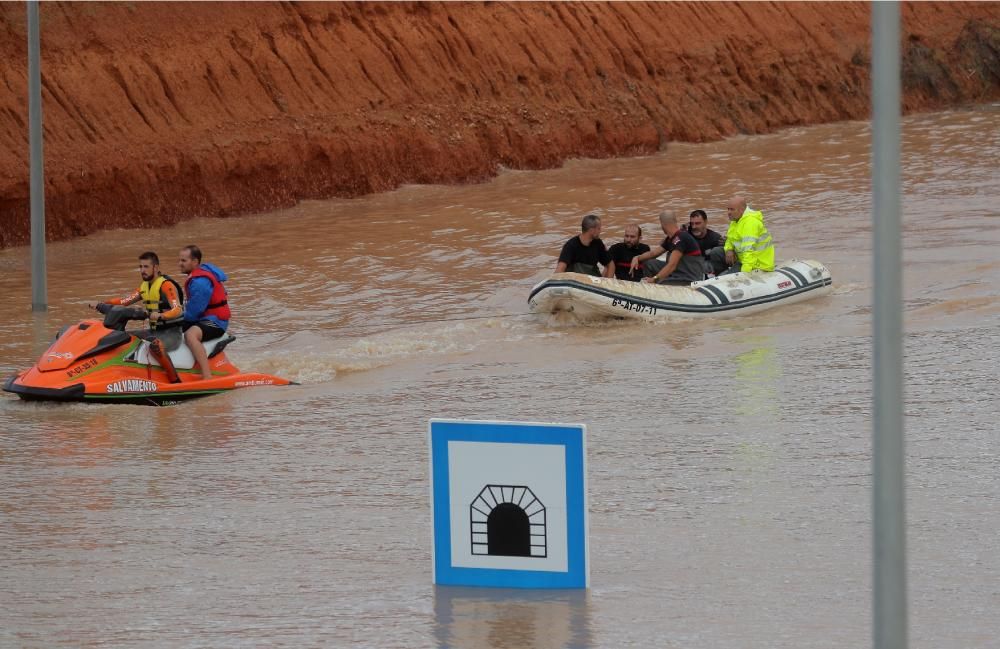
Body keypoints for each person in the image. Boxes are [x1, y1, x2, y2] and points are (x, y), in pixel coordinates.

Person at [88, 251, 184, 382]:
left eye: (146, 267)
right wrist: (100, 303)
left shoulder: (166, 285)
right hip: (154, 331)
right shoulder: (144, 287)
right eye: (140, 267)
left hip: (172, 334)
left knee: (155, 345)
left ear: (155, 268)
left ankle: (175, 381)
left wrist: (161, 315)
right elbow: (124, 301)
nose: (142, 270)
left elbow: (177, 309)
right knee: (123, 338)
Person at [178, 244, 231, 381]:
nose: (180, 264)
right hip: (206, 317)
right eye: (180, 260)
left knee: (190, 335)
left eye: (184, 261)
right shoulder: (199, 275)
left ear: (195, 262)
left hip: (216, 321)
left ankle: (207, 376)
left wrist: (177, 318)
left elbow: (195, 312)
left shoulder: (200, 282)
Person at [628, 211, 705, 284]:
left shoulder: (681, 238)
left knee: (660, 281)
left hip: (689, 277)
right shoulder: (670, 239)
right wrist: (637, 258)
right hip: (678, 272)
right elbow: (653, 253)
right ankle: (650, 285)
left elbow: (672, 265)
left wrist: (654, 279)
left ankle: (652, 284)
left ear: (663, 224)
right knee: (649, 263)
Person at [719, 195, 775, 274]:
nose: (728, 212)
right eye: (728, 209)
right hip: (742, 258)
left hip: (757, 264)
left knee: (729, 278)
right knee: (716, 252)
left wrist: (745, 273)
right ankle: (719, 275)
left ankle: (726, 276)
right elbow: (730, 239)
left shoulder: (750, 223)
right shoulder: (735, 220)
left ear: (742, 210)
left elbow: (749, 250)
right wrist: (729, 249)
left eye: (732, 209)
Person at [686, 209, 726, 276]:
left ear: (705, 222)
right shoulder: (685, 236)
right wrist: (679, 233)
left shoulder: (716, 238)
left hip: (710, 269)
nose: (694, 227)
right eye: (692, 224)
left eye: (697, 223)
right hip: (692, 267)